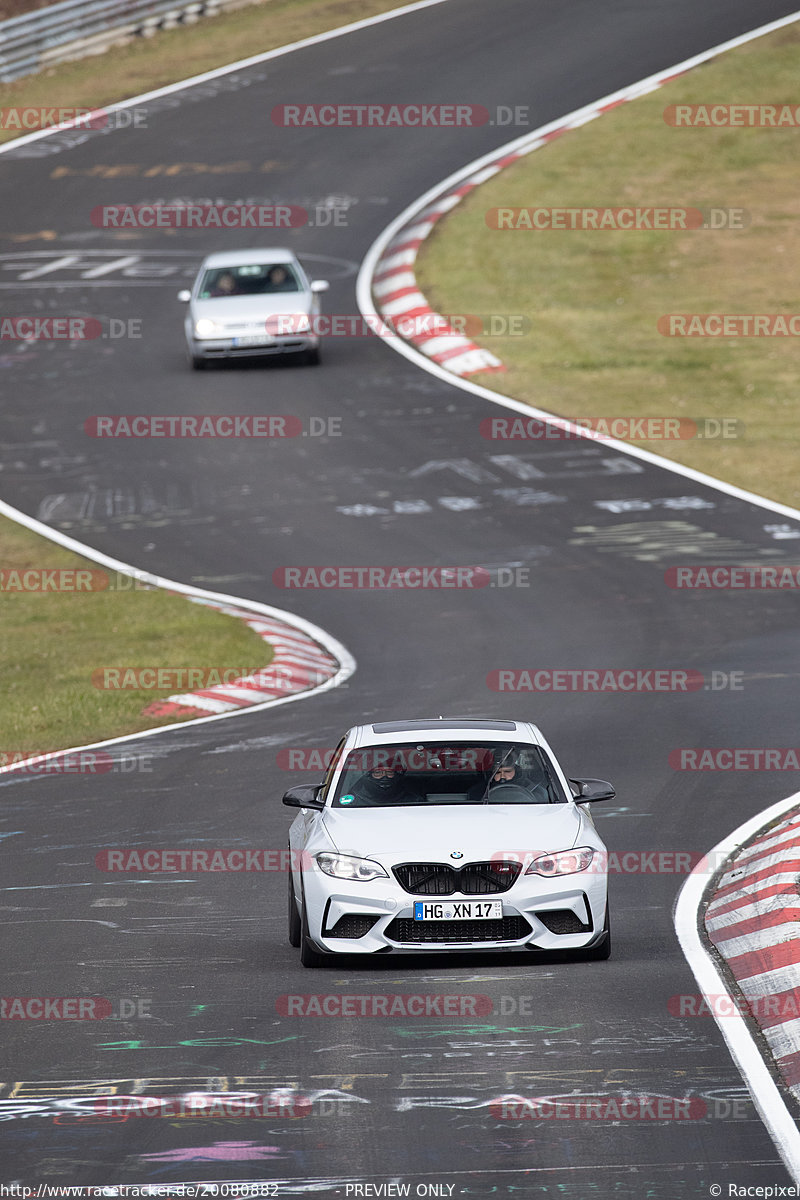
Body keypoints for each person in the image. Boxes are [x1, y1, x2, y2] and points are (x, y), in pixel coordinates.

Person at [467, 749, 549, 803]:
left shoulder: (536, 792)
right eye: (497, 772)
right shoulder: (477, 792)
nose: (503, 776)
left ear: (516, 771)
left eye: (507, 771)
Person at [350, 765, 425, 806]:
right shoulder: (356, 800)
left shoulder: (412, 799)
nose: (384, 776)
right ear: (370, 775)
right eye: (378, 772)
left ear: (395, 775)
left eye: (389, 772)